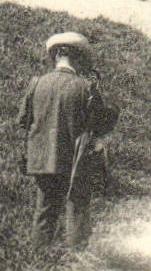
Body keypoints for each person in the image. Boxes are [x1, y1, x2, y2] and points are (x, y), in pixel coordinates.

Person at [17, 32, 119, 251]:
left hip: (43, 157)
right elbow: (103, 122)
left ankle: (40, 258)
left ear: (55, 57)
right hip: (76, 158)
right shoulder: (85, 87)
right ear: (79, 58)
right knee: (77, 209)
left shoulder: (36, 84)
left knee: (44, 210)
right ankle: (76, 259)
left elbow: (23, 120)